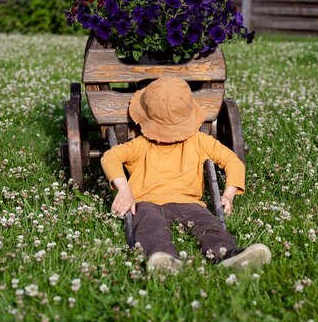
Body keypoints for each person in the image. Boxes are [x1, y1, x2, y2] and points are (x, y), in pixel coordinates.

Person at [101, 76, 271, 272]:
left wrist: (124, 188)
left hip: (181, 204)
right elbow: (233, 160)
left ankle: (227, 255)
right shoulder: (197, 141)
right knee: (154, 226)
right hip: (155, 203)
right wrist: (228, 192)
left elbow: (109, 156)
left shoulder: (143, 143)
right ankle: (163, 258)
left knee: (205, 225)